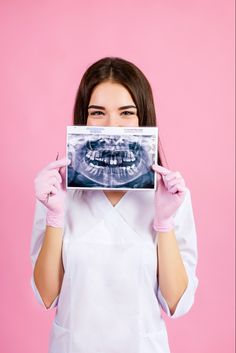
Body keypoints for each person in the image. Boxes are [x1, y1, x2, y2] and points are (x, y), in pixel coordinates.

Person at [30, 57, 198, 353]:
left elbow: (176, 302)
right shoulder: (57, 193)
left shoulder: (169, 195)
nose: (112, 127)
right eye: (98, 113)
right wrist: (55, 216)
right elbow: (46, 295)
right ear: (83, 118)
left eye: (126, 113)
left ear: (142, 118)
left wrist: (164, 223)